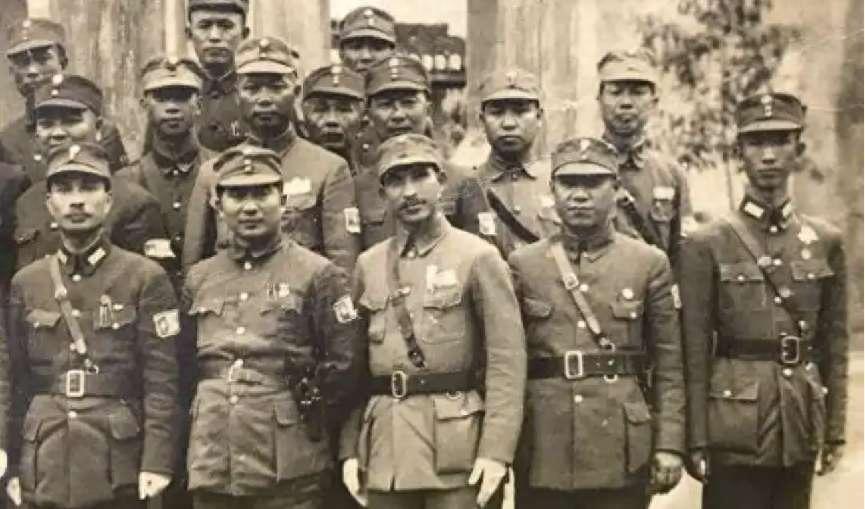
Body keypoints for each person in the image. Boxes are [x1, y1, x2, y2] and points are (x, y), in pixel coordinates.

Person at [680, 92, 849, 509]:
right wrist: (696, 437)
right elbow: (694, 349)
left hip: (799, 417)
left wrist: (834, 430)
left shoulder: (825, 241)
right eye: (756, 143)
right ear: (739, 153)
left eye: (780, 141)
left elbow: (834, 344)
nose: (769, 155)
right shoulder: (708, 243)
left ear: (799, 150)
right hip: (733, 423)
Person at [342, 133, 525, 509]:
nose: (409, 192)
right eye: (396, 180)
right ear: (382, 192)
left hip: (457, 448)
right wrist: (349, 448)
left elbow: (506, 361)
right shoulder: (368, 264)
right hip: (386, 449)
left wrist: (496, 451)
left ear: (442, 181)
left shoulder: (477, 257)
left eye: (420, 176)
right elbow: (355, 367)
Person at [182, 145, 362, 509]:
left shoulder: (318, 274)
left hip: (289, 463)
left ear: (283, 201)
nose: (250, 207)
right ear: (218, 205)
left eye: (262, 193)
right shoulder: (200, 279)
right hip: (214, 458)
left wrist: (300, 418)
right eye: (237, 195)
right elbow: (184, 366)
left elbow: (345, 366)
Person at [508, 137, 685, 508]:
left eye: (593, 183)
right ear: (552, 189)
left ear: (616, 188)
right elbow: (506, 362)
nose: (579, 195)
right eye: (568, 183)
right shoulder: (524, 265)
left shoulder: (648, 263)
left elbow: (669, 363)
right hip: (545, 446)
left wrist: (669, 443)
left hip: (619, 447)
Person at [4, 142, 179, 509]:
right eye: (64, 190)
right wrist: (13, 463)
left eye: (88, 187)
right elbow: (16, 380)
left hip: (117, 457)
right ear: (49, 204)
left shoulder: (144, 277)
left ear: (108, 200)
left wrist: (157, 460)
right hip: (44, 454)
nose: (77, 200)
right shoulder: (27, 282)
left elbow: (162, 378)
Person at [182, 36, 361, 275]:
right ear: (237, 95)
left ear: (296, 92)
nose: (265, 99)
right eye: (252, 88)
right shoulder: (212, 173)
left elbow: (342, 268)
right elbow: (194, 270)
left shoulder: (329, 169)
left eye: (277, 87)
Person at [13, 74, 166, 271]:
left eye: (71, 121)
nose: (57, 133)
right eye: (46, 124)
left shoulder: (135, 203)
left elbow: (150, 281)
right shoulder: (27, 202)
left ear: (99, 128)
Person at [354, 56, 469, 250]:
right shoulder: (357, 187)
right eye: (385, 105)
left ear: (428, 108)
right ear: (369, 113)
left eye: (409, 103)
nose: (398, 115)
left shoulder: (462, 181)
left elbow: (479, 254)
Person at [117, 55, 212, 292]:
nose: (172, 107)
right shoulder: (125, 180)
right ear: (144, 105)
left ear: (199, 105)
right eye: (161, 98)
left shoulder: (220, 170)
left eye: (182, 97)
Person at [596, 49, 693, 264]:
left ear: (654, 102)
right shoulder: (581, 168)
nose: (626, 102)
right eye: (615, 92)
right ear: (599, 99)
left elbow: (683, 255)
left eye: (638, 92)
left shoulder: (670, 174)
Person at [1, 18, 128, 182]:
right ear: (12, 72)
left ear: (63, 62)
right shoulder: (7, 140)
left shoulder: (100, 129)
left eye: (43, 59)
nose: (32, 71)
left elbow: (119, 189)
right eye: (23, 63)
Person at [458, 68, 559, 258]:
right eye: (496, 113)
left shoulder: (560, 180)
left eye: (520, 111)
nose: (508, 123)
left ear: (539, 117)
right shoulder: (466, 187)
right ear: (481, 120)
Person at [184, 0, 249, 152]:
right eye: (204, 26)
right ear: (189, 34)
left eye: (226, 26)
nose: (214, 36)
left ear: (244, 34)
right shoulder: (175, 95)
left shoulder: (259, 94)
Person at [301, 64, 365, 174]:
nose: (332, 120)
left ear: (363, 122)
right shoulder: (284, 174)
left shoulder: (378, 177)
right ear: (303, 121)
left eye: (344, 110)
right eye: (320, 109)